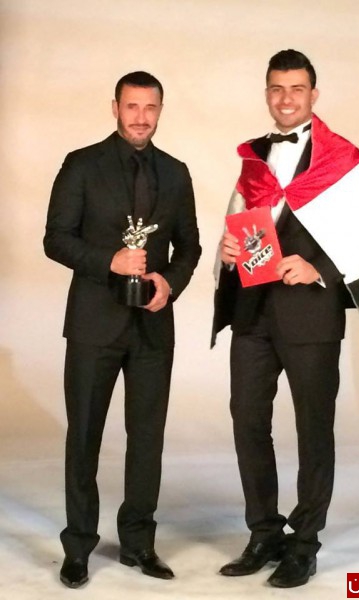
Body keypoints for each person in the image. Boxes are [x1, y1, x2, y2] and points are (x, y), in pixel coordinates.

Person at [212, 49, 359, 588]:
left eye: (296, 89)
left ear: (314, 94)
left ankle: (304, 544)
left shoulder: (342, 157)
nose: (286, 99)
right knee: (247, 422)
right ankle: (264, 532)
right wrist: (228, 252)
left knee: (313, 430)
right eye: (276, 88)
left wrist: (319, 269)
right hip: (253, 313)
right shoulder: (255, 157)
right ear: (267, 94)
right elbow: (242, 222)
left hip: (311, 316)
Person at [44, 71, 201, 588]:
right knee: (84, 436)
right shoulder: (82, 164)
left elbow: (191, 245)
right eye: (132, 106)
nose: (141, 117)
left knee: (148, 439)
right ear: (115, 108)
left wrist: (170, 283)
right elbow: (55, 238)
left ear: (160, 111)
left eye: (150, 107)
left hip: (153, 326)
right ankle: (78, 547)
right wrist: (107, 260)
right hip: (94, 324)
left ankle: (138, 544)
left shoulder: (175, 173)